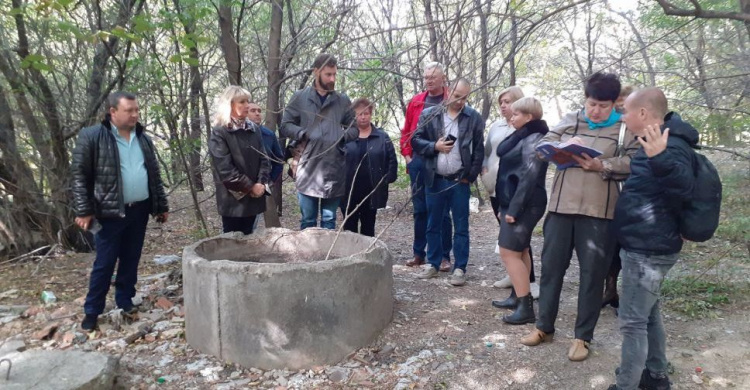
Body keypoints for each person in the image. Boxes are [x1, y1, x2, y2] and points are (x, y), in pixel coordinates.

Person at [521, 72, 638, 362]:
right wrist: (558, 149)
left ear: (614, 104)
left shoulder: (625, 129)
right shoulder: (572, 119)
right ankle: (544, 327)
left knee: (592, 276)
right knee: (551, 270)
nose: (595, 111)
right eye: (591, 104)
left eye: (602, 105)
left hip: (599, 213)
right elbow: (544, 143)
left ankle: (582, 337)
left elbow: (637, 162)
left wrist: (603, 165)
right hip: (561, 208)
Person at [606, 88, 698, 390]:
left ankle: (626, 386)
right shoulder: (658, 140)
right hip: (645, 244)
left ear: (643, 114)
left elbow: (684, 188)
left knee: (633, 323)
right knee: (648, 313)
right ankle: (656, 376)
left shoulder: (668, 145)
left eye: (626, 111)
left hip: (648, 249)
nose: (622, 116)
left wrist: (658, 157)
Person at [71, 92, 169, 331]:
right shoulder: (92, 136)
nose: (135, 114)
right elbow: (79, 176)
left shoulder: (143, 138)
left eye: (137, 110)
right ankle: (92, 311)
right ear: (112, 112)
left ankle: (125, 301)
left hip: (140, 209)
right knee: (104, 262)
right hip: (108, 212)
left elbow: (153, 174)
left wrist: (161, 206)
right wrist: (84, 210)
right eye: (129, 110)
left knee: (131, 257)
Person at [412, 78, 485, 286]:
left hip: (459, 181)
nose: (461, 101)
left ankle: (460, 267)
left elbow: (479, 150)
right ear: (448, 91)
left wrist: (469, 176)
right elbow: (415, 141)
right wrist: (434, 146)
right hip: (434, 179)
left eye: (465, 97)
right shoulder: (430, 114)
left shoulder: (473, 118)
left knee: (461, 226)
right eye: (457, 96)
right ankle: (433, 264)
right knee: (433, 222)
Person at [280, 53, 358, 230]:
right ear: (316, 72)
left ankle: (327, 258)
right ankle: (309, 258)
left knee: (329, 222)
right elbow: (285, 125)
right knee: (308, 220)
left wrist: (341, 136)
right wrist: (302, 133)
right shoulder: (300, 97)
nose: (332, 79)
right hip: (307, 169)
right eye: (328, 74)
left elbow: (354, 128)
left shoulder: (342, 100)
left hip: (334, 169)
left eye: (334, 74)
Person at [490, 97, 549, 324]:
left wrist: (513, 209)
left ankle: (525, 307)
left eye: (515, 114)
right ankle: (517, 295)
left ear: (529, 117)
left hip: (526, 203)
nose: (511, 117)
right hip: (513, 200)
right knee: (521, 250)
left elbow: (529, 176)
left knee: (508, 252)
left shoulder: (534, 138)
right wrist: (504, 205)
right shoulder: (521, 135)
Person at [481, 86, 540, 297]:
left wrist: (514, 206)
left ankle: (528, 283)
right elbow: (487, 152)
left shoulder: (526, 131)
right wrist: (485, 171)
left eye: (508, 102)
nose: (504, 106)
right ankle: (515, 278)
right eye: (501, 102)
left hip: (517, 194)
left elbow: (528, 171)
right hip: (498, 189)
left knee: (518, 240)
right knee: (508, 239)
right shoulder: (496, 127)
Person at [400, 62, 454, 272]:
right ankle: (419, 253)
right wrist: (407, 157)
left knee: (441, 211)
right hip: (419, 161)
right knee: (420, 209)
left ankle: (443, 256)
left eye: (433, 77)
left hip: (442, 161)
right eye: (426, 77)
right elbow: (407, 132)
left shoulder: (451, 99)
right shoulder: (416, 102)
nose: (429, 81)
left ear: (443, 78)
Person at [209, 86, 271, 235]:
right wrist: (250, 187)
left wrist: (261, 183)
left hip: (254, 199)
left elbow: (264, 158)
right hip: (233, 202)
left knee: (251, 241)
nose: (247, 105)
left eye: (247, 101)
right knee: (232, 244)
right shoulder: (220, 132)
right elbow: (225, 170)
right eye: (242, 102)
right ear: (230, 105)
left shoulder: (254, 129)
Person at [340, 98, 398, 236]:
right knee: (349, 228)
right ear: (354, 115)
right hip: (348, 190)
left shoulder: (382, 137)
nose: (363, 117)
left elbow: (392, 160)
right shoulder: (345, 136)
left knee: (368, 225)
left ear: (371, 114)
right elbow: (335, 159)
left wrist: (386, 179)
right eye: (359, 114)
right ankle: (351, 256)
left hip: (372, 190)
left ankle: (367, 255)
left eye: (366, 113)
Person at [603, 84, 636, 311]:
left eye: (624, 108)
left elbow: (637, 161)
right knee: (609, 247)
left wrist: (606, 165)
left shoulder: (643, 129)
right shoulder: (610, 126)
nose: (620, 113)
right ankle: (610, 289)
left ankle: (632, 299)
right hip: (611, 195)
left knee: (630, 250)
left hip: (634, 198)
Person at [247, 102, 284, 229]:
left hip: (260, 186)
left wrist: (269, 181)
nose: (257, 113)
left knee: (252, 226)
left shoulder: (269, 135)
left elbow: (278, 161)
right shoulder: (237, 134)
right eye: (253, 110)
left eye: (259, 110)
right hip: (241, 185)